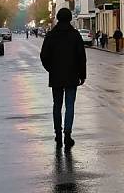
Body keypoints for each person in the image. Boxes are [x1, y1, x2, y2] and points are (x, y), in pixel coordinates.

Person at [40, 8, 86, 148]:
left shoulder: (51, 35)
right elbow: (81, 57)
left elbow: (44, 55)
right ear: (70, 18)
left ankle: (58, 134)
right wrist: (82, 75)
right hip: (72, 76)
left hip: (56, 76)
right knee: (70, 105)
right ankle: (67, 134)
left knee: (57, 105)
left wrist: (51, 69)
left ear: (58, 18)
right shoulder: (75, 35)